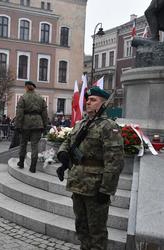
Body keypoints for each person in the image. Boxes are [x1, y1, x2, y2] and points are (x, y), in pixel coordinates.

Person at [57, 86, 124, 250]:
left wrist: (106, 189)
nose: (87, 102)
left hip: (95, 187)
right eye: (87, 99)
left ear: (102, 104)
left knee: (97, 231)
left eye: (93, 100)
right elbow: (68, 142)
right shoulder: (81, 124)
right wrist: (63, 154)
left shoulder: (109, 127)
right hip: (77, 183)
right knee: (81, 227)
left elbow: (114, 161)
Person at [15, 80, 48, 173]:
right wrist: (45, 125)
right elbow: (45, 114)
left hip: (26, 123)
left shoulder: (23, 98)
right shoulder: (41, 98)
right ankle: (33, 166)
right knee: (34, 145)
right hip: (38, 123)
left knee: (23, 143)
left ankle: (21, 162)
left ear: (26, 87)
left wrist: (18, 125)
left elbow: (19, 113)